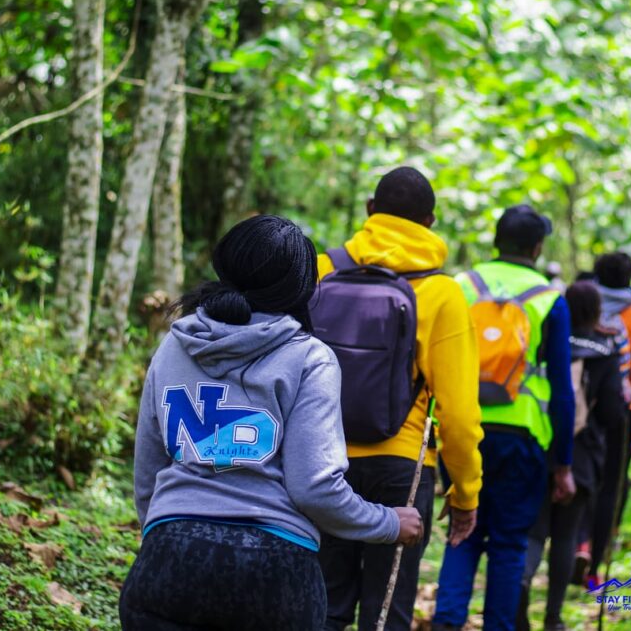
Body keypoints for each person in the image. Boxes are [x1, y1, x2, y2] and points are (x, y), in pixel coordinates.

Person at [119, 215, 424, 631]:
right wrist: (388, 522)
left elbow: (148, 474)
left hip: (166, 559)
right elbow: (314, 488)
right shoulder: (309, 357)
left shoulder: (174, 344)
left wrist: (165, 539)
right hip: (275, 572)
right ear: (300, 288)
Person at [315, 167, 484, 631]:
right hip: (402, 469)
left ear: (370, 209)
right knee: (388, 611)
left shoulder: (322, 270)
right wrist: (465, 493)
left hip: (322, 461)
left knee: (324, 607)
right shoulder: (443, 293)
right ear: (430, 222)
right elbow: (459, 415)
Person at [431, 204, 576, 631]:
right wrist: (563, 463)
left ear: (496, 241)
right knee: (509, 543)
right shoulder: (549, 299)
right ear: (537, 247)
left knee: (462, 530)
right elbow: (563, 391)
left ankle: (447, 622)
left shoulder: (461, 286)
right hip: (522, 436)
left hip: (461, 428)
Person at [519, 282, 626, 631]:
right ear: (597, 312)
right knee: (566, 535)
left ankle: (522, 584)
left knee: (535, 531)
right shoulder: (606, 352)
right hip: (582, 454)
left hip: (541, 443)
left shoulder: (549, 342)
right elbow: (611, 413)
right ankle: (553, 617)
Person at [585, 251, 631, 586]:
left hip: (586, 403)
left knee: (586, 476)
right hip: (627, 407)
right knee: (612, 484)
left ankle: (580, 543)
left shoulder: (584, 306)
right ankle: (595, 565)